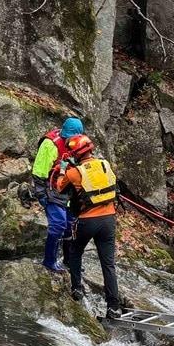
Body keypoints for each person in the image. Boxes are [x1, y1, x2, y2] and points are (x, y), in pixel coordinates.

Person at [54, 133, 121, 315]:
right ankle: (113, 306)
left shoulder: (74, 172)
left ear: (76, 153)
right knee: (108, 264)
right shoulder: (105, 164)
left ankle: (77, 288)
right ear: (90, 149)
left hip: (87, 220)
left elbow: (59, 187)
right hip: (108, 218)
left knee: (75, 252)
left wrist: (62, 169)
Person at [31, 117, 83, 275]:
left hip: (68, 191)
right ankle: (49, 261)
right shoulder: (50, 144)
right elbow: (39, 172)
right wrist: (41, 195)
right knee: (58, 225)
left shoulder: (79, 144)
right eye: (67, 138)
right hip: (50, 189)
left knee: (70, 227)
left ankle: (69, 260)